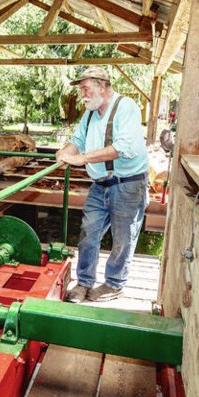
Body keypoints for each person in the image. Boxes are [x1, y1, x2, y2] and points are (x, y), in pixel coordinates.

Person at [56, 67, 149, 303]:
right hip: (100, 184)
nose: (83, 95)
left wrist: (82, 159)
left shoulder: (125, 107)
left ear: (102, 86)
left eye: (86, 89)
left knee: (123, 237)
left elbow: (123, 147)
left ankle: (114, 284)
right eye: (81, 90)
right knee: (89, 232)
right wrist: (65, 153)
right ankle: (85, 282)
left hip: (128, 184)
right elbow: (77, 141)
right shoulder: (90, 114)